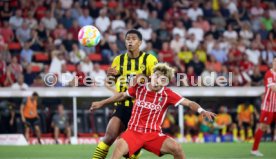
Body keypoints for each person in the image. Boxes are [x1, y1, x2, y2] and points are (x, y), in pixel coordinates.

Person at [90, 63, 216, 159]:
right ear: (152, 76)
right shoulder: (139, 88)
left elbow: (189, 103)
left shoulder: (168, 94)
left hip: (153, 135)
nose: (158, 80)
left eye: (163, 79)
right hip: (133, 132)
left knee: (176, 148)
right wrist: (101, 103)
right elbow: (122, 95)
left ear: (166, 82)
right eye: (156, 76)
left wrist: (201, 110)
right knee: (117, 151)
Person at [91, 29, 158, 159]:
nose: (130, 41)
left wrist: (143, 78)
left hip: (141, 108)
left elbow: (158, 82)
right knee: (109, 136)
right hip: (122, 104)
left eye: (133, 39)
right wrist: (111, 77)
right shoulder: (118, 60)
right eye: (128, 39)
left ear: (140, 42)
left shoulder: (149, 59)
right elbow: (109, 82)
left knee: (130, 148)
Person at [251, 57, 276, 156]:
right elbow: (273, 88)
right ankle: (254, 149)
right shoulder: (269, 74)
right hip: (268, 106)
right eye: (274, 62)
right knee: (263, 127)